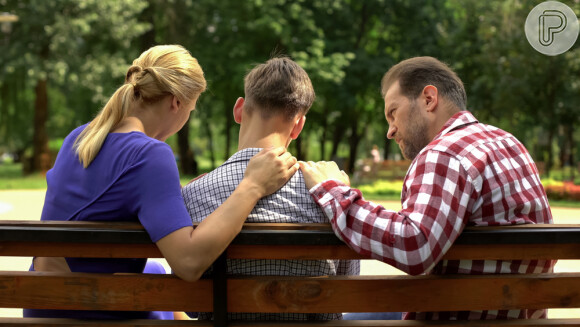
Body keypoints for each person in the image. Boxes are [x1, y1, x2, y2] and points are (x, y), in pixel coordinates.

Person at [25, 45, 299, 320]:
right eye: (190, 110)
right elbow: (189, 263)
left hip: (44, 302)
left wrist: (171, 192)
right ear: (176, 103)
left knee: (154, 272)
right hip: (88, 312)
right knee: (164, 287)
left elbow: (108, 194)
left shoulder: (79, 137)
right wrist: (253, 185)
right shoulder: (149, 154)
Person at [299, 56, 554, 320]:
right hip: (515, 317)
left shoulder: (445, 153)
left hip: (456, 319)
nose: (390, 130)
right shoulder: (509, 142)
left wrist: (333, 191)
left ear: (429, 99)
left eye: (393, 113)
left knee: (340, 317)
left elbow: (415, 246)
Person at [181, 57, 360, 321]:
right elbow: (345, 290)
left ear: (239, 109)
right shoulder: (329, 195)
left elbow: (192, 306)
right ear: (298, 125)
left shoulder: (194, 194)